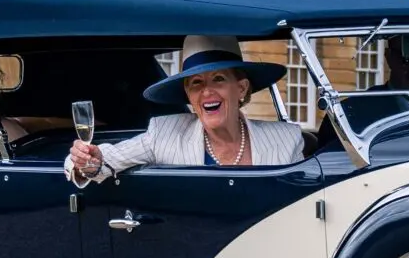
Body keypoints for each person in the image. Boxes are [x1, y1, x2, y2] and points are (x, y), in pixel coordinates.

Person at [67, 36, 306, 182]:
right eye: (196, 83)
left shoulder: (286, 140)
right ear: (189, 96)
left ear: (241, 88)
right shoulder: (166, 133)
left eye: (219, 78)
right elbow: (100, 161)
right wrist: (87, 161)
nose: (207, 91)